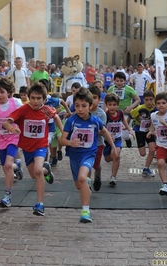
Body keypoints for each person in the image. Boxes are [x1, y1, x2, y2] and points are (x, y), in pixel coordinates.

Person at [2, 82, 61, 216]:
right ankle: (47, 170)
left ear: (44, 99)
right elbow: (6, 122)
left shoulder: (47, 110)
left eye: (38, 98)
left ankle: (40, 204)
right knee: (35, 174)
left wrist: (62, 133)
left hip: (41, 145)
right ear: (29, 98)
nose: (35, 101)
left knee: (37, 170)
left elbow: (56, 116)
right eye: (33, 98)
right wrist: (11, 128)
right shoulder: (24, 109)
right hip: (27, 147)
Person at [59, 87, 117, 223]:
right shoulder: (71, 121)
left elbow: (105, 132)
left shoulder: (95, 121)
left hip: (89, 154)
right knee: (79, 185)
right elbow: (62, 140)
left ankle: (85, 211)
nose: (80, 109)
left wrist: (113, 147)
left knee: (82, 177)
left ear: (90, 106)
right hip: (74, 155)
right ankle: (86, 182)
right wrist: (70, 142)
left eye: (84, 106)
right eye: (77, 106)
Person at [0, 76, 23, 207]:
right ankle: (17, 166)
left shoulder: (16, 103)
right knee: (6, 167)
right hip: (1, 140)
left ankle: (7, 196)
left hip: (13, 138)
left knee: (7, 165)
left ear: (9, 92)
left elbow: (23, 116)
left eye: (2, 92)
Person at [103, 93, 135, 187]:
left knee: (116, 155)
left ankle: (113, 177)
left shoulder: (120, 113)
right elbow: (103, 128)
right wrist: (107, 136)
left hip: (117, 139)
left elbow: (123, 120)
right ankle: (111, 157)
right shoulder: (106, 115)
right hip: (107, 140)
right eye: (110, 105)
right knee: (108, 159)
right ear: (106, 105)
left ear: (118, 105)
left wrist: (129, 129)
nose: (112, 107)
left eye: (114, 105)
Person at [107, 71, 140, 148]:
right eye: (117, 81)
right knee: (114, 131)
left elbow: (138, 100)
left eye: (121, 81)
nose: (119, 83)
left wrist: (130, 108)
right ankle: (115, 146)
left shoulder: (129, 89)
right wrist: (106, 109)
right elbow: (106, 100)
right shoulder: (111, 89)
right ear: (114, 80)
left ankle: (127, 139)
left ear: (125, 81)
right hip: (113, 113)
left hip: (125, 114)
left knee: (125, 134)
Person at [129, 90, 157, 177]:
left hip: (150, 131)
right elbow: (130, 116)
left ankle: (146, 168)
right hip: (139, 131)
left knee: (152, 149)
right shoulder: (139, 108)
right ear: (144, 100)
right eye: (147, 100)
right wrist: (127, 127)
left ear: (154, 99)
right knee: (142, 154)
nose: (149, 102)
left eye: (151, 99)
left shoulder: (156, 109)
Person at [88, 86, 107, 191]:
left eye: (94, 97)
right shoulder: (83, 111)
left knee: (96, 166)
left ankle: (98, 177)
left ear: (99, 99)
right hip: (86, 144)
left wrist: (90, 129)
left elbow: (102, 131)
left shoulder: (101, 114)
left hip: (98, 144)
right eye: (90, 97)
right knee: (88, 165)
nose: (92, 100)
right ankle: (88, 185)